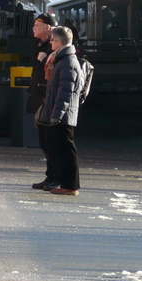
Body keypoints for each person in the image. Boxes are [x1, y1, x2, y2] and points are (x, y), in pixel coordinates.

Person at [40, 25, 85, 196]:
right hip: (58, 112)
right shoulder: (61, 60)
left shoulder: (67, 62)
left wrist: (57, 115)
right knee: (60, 148)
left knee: (66, 149)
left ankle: (71, 185)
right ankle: (65, 183)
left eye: (51, 40)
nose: (50, 42)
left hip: (62, 114)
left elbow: (65, 92)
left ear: (59, 42)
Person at [28, 12, 57, 190]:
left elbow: (56, 70)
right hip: (40, 96)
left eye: (36, 26)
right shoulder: (42, 44)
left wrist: (46, 58)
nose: (33, 28)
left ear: (47, 28)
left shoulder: (51, 47)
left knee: (50, 141)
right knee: (44, 140)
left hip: (47, 98)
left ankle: (55, 177)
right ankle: (50, 176)